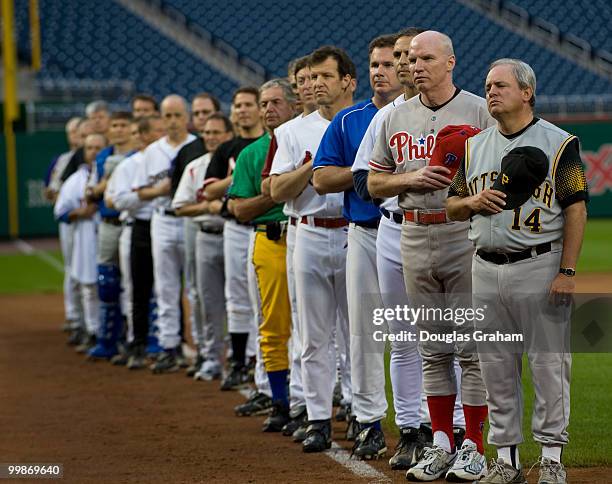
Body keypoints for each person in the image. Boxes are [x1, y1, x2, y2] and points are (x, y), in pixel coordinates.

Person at [447, 58, 588, 484]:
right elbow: (452, 206)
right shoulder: (474, 147)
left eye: (500, 85)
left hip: (539, 264)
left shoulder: (560, 143)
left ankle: (550, 459)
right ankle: (505, 460)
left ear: (527, 92)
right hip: (485, 267)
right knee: (495, 366)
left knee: (548, 364)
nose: (491, 91)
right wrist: (470, 204)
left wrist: (567, 270)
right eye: (488, 85)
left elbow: (577, 208)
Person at [368, 31, 495, 481]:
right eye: (412, 59)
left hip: (464, 235)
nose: (414, 66)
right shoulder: (393, 117)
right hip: (413, 234)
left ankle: (475, 446)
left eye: (425, 58)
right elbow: (374, 183)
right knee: (431, 348)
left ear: (451, 62)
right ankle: (441, 441)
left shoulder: (481, 110)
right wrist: (410, 180)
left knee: (472, 348)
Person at [311, 33, 402, 460]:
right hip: (365, 232)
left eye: (388, 64)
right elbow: (322, 178)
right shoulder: (349, 120)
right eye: (375, 65)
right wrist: (367, 173)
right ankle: (368, 421)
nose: (380, 72)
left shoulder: (422, 118)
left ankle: (420, 425)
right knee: (364, 334)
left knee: (416, 333)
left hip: (414, 233)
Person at [270, 46, 356, 453]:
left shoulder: (366, 123)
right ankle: (318, 417)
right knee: (313, 335)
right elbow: (277, 190)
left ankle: (360, 413)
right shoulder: (290, 133)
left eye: (325, 76)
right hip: (308, 230)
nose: (317, 84)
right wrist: (309, 167)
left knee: (357, 333)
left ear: (346, 82)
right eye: (313, 77)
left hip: (356, 232)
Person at [250, 55, 316, 437]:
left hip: (338, 231)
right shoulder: (269, 144)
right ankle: (286, 401)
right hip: (284, 233)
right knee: (281, 326)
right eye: (302, 80)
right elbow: (263, 191)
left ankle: (323, 401)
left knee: (330, 332)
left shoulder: (342, 122)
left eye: (277, 102)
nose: (270, 109)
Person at [202, 87, 265, 390]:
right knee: (237, 297)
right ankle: (239, 361)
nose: (242, 110)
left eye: (248, 104)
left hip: (268, 227)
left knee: (267, 301)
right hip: (236, 229)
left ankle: (261, 361)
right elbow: (208, 190)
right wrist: (242, 171)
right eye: (237, 105)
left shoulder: (273, 143)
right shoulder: (227, 148)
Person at [134, 95, 196, 373]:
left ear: (187, 117)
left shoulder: (197, 145)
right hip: (162, 219)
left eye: (177, 115)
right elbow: (141, 192)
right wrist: (160, 191)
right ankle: (169, 345)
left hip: (190, 219)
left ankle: (202, 347)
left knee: (195, 287)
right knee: (166, 285)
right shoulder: (152, 151)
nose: (172, 121)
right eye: (167, 116)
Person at [172, 113, 234, 380]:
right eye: (207, 133)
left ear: (228, 136)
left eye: (216, 132)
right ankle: (211, 356)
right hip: (205, 234)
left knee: (238, 301)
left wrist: (217, 206)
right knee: (208, 301)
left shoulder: (238, 162)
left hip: (234, 231)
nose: (210, 137)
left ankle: (238, 358)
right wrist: (207, 207)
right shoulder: (195, 166)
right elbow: (180, 206)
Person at [85, 111, 137, 360]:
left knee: (131, 283)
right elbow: (92, 191)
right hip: (106, 221)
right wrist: (103, 185)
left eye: (123, 125)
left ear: (131, 128)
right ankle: (107, 338)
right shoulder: (104, 155)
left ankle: (130, 338)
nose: (117, 129)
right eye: (114, 125)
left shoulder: (139, 155)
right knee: (107, 281)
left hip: (130, 222)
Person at [54, 133, 107, 352]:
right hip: (85, 236)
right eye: (90, 148)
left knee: (116, 287)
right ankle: (93, 331)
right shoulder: (74, 180)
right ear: (84, 152)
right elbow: (60, 213)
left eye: (98, 147)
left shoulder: (114, 173)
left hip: (110, 232)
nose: (94, 152)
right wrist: (81, 212)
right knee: (88, 287)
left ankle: (114, 332)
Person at [45, 116, 83, 334]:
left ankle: (85, 318)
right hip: (70, 219)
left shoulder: (93, 154)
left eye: (79, 131)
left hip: (91, 218)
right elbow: (48, 190)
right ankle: (73, 315)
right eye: (73, 132)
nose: (76, 135)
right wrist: (63, 196)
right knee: (71, 267)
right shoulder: (61, 160)